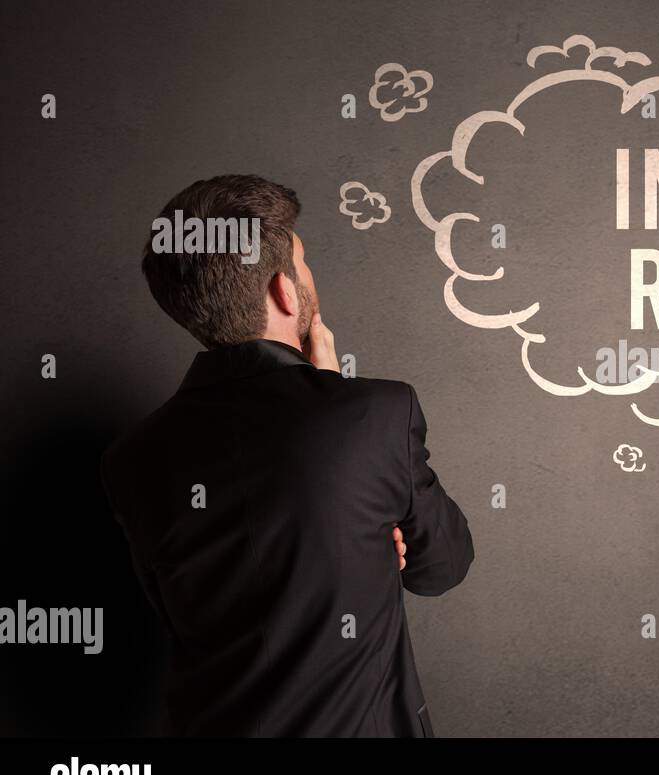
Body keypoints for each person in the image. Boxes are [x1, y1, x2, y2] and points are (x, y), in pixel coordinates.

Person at [100, 174, 473, 736]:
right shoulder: (375, 414)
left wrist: (328, 403)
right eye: (302, 263)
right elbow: (441, 566)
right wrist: (332, 396)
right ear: (284, 290)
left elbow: (201, 605)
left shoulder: (130, 458)